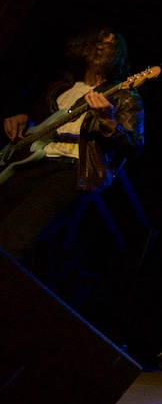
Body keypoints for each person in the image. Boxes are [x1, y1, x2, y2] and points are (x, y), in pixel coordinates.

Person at [0, 27, 144, 269]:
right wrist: (24, 118)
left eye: (110, 46)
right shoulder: (62, 87)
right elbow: (40, 121)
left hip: (73, 171)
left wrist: (109, 121)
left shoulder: (124, 97)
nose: (102, 48)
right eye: (98, 42)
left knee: (12, 240)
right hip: (34, 162)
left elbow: (134, 144)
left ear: (119, 56)